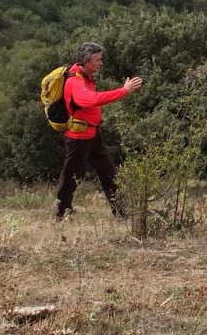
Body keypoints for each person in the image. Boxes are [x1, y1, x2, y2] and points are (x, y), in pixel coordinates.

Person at [54, 42, 142, 220]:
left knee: (109, 173)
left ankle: (122, 213)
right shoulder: (74, 81)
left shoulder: (85, 77)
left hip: (93, 135)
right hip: (79, 137)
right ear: (86, 62)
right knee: (71, 176)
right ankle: (60, 213)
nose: (101, 63)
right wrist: (124, 91)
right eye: (98, 60)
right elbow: (93, 100)